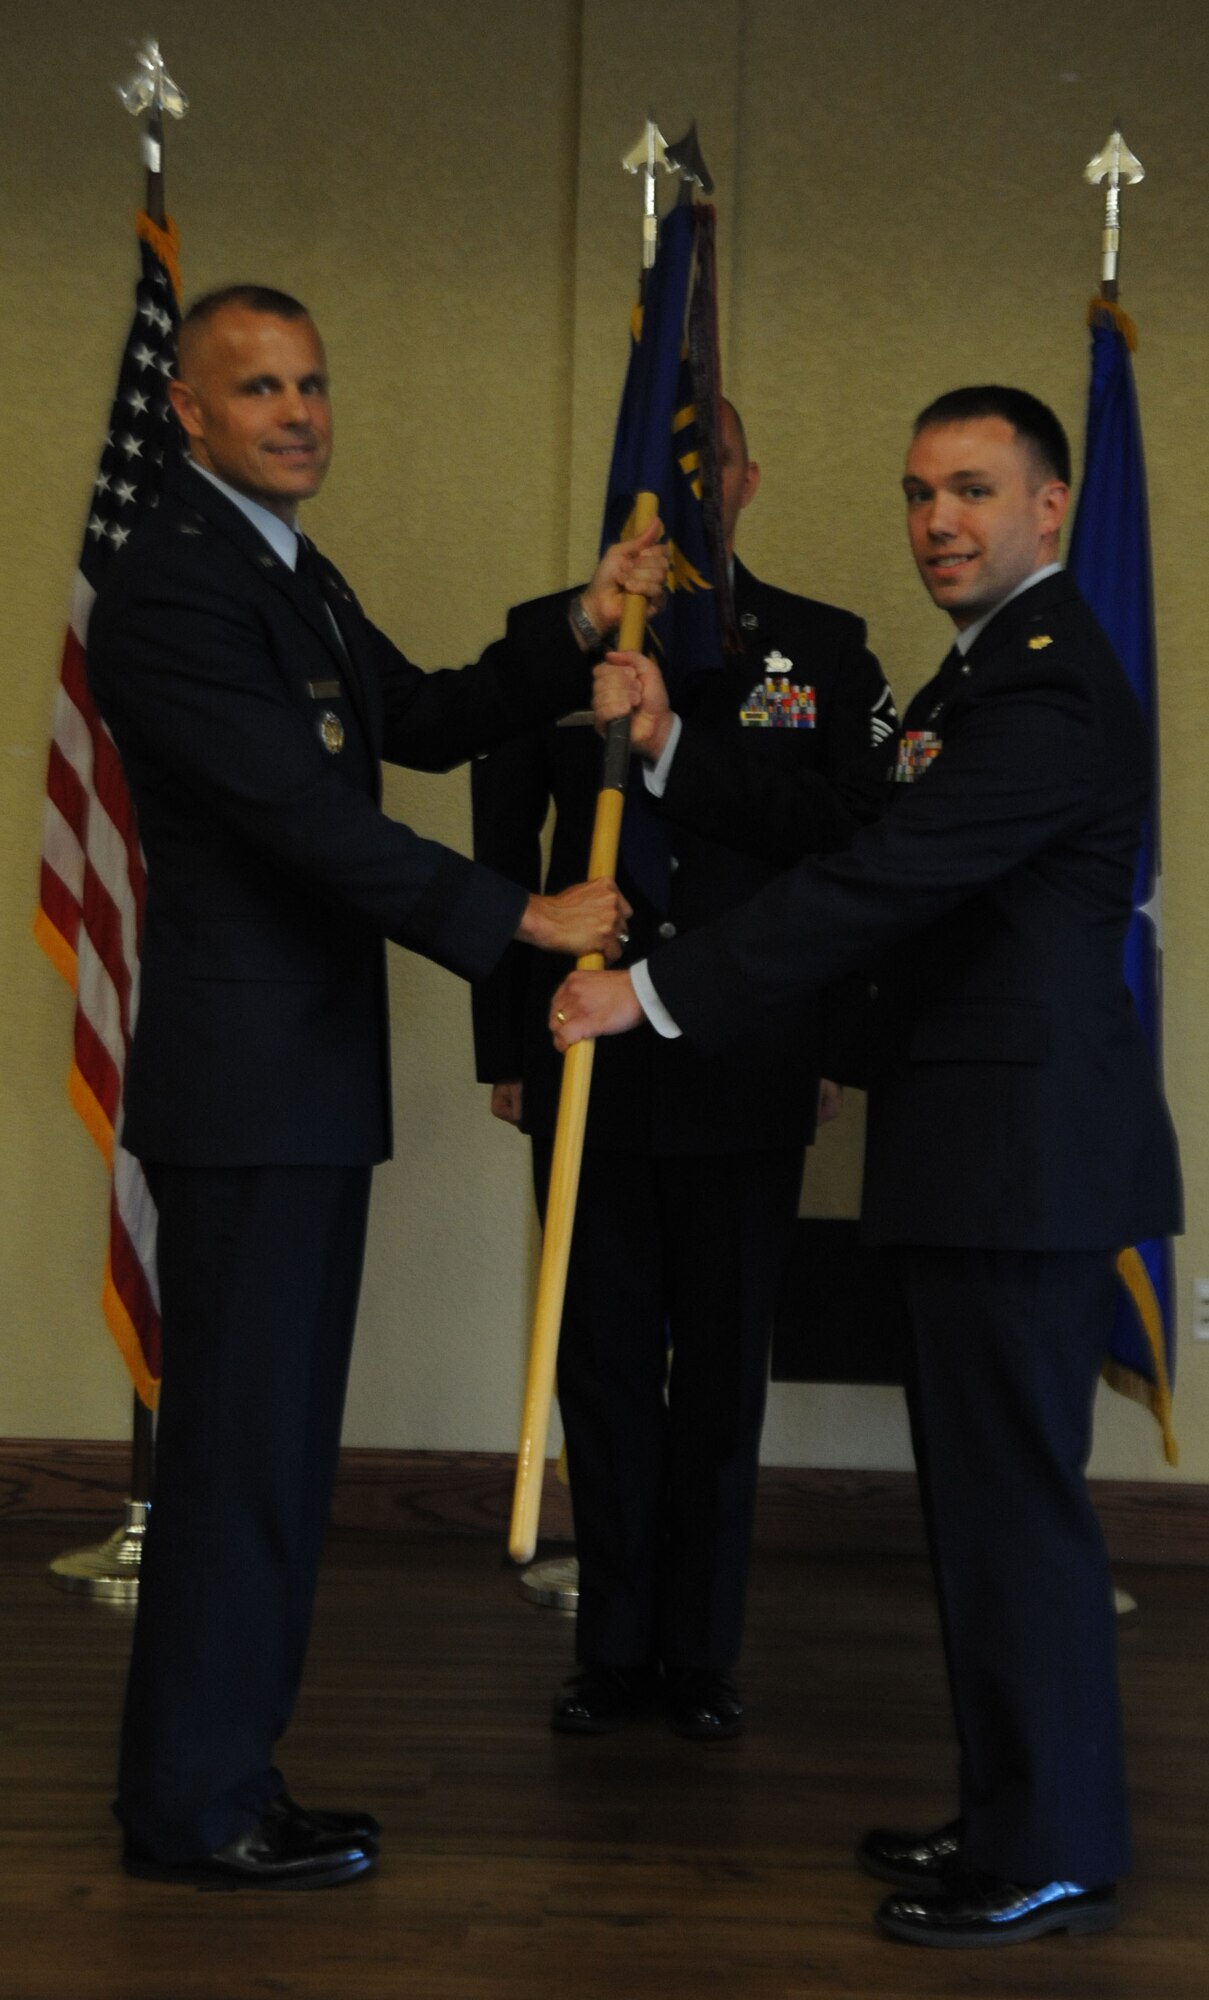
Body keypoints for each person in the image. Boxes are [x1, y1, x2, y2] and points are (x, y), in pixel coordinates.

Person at [549, 386, 1181, 1946]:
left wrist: (654, 992)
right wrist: (669, 743)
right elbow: (841, 821)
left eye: (971, 489)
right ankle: (1008, 1810)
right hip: (975, 1157)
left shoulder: (1046, 686)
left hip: (1020, 1164)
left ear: (1048, 506)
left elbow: (881, 880)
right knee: (976, 1512)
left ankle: (1048, 1844)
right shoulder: (978, 674)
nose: (936, 521)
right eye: (917, 492)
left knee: (1012, 1515)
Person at [85, 284, 665, 1889]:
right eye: (257, 389)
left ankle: (227, 1781)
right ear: (187, 414)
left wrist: (579, 620)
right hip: (246, 1092)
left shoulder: (283, 566)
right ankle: (196, 1809)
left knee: (274, 1456)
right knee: (240, 1461)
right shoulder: (173, 585)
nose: (296, 414)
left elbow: (413, 716)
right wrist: (519, 922)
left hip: (300, 1084)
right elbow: (302, 818)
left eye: (311, 384)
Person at [471, 399, 897, 1739]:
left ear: (749, 483)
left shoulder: (821, 648)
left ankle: (700, 1653)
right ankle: (612, 1650)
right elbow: (502, 852)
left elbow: (849, 845)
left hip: (745, 1056)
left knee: (718, 1374)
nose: (682, 495)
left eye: (707, 470)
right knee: (601, 1369)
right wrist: (503, 1048)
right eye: (659, 473)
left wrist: (830, 1048)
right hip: (585, 1059)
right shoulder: (557, 638)